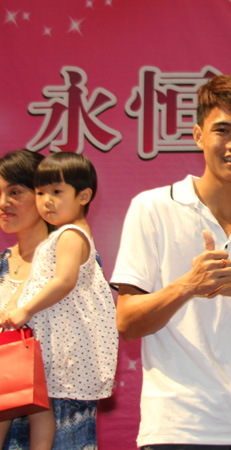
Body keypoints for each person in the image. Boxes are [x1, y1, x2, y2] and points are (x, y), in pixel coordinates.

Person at [111, 74, 231, 449]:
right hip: (176, 427)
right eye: (223, 130)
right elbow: (126, 322)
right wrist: (188, 285)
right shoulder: (153, 208)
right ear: (198, 135)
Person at [0, 151, 118, 450]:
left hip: (59, 378)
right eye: (42, 193)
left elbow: (65, 285)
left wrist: (24, 310)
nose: (3, 203)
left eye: (15, 192)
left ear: (81, 196)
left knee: (44, 412)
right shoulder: (9, 260)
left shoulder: (72, 243)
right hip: (17, 377)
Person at [0, 149, 54, 450]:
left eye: (14, 192)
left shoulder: (70, 263)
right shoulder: (1, 264)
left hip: (58, 420)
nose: (3, 203)